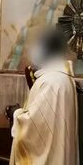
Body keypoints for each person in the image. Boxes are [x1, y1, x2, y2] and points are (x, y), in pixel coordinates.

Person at [10, 29, 79, 165]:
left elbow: (35, 125)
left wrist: (16, 113)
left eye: (38, 45)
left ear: (47, 49)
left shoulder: (51, 81)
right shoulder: (61, 76)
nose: (34, 50)